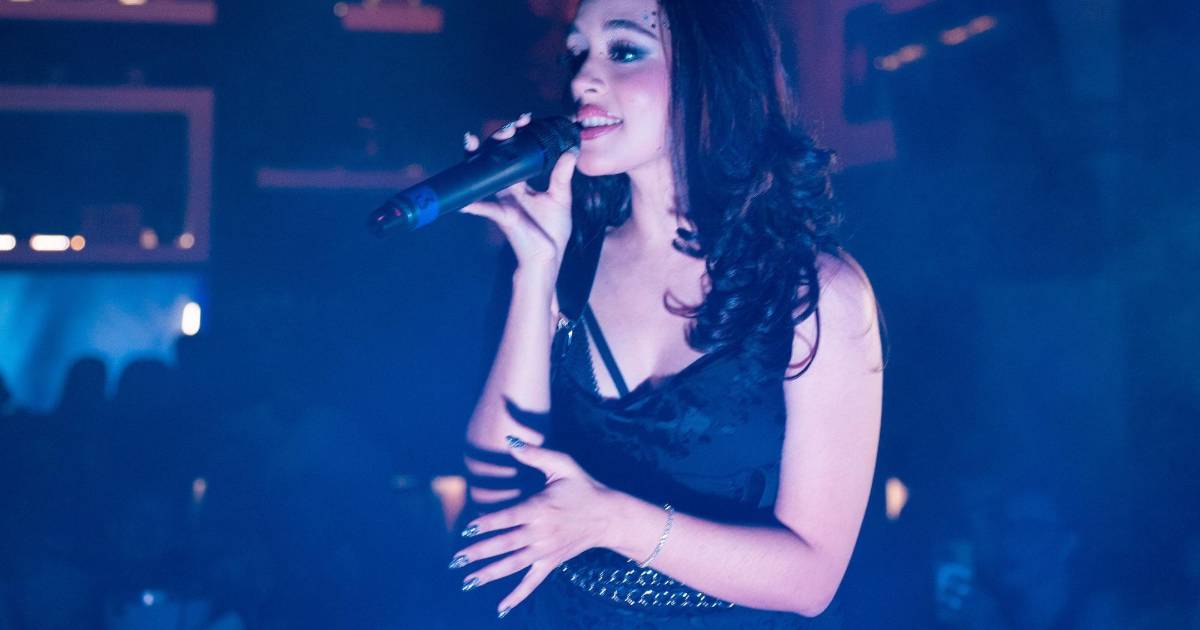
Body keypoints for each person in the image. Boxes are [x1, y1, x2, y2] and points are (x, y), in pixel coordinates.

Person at [450, 0, 883, 626]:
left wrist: (612, 521)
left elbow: (812, 579)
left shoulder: (816, 293)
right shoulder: (564, 257)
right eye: (577, 54)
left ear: (712, 70)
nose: (583, 79)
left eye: (624, 50)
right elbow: (497, 489)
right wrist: (536, 271)